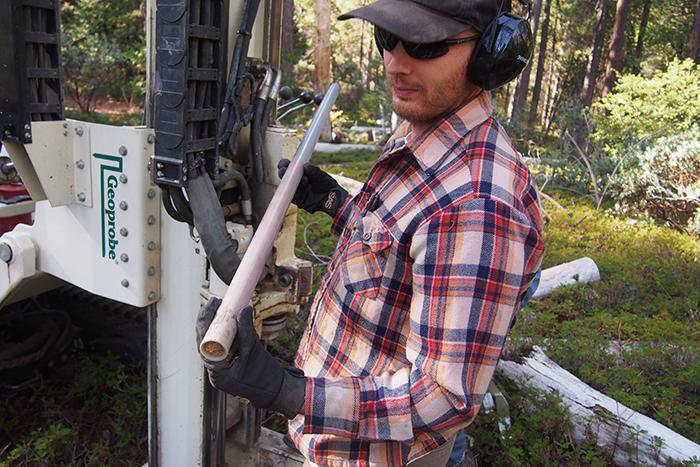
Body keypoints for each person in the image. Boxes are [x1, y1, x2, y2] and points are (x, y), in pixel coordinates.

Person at [195, 0, 545, 465]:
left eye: (424, 45)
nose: (397, 64)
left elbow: (443, 398)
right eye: (387, 39)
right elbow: (402, 252)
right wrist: (337, 204)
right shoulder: (424, 128)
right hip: (341, 440)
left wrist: (288, 391)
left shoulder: (479, 206)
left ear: (491, 53)